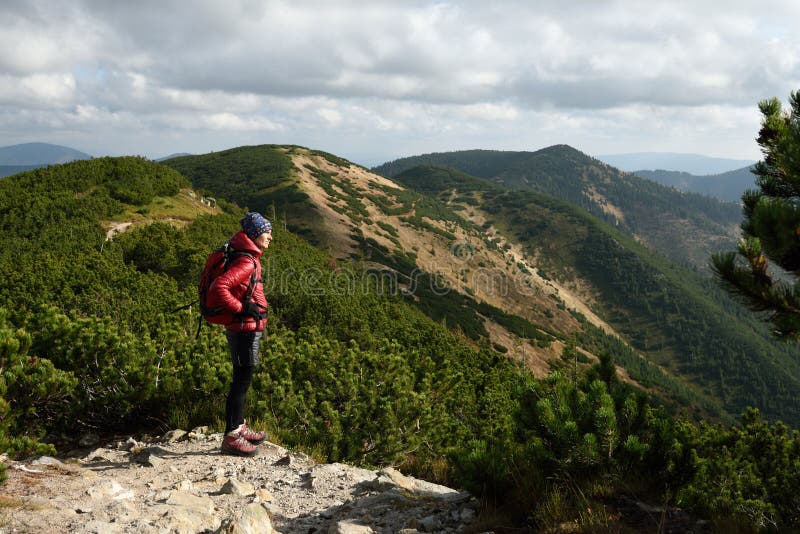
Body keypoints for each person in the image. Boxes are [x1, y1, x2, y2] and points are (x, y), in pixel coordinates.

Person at [207, 211, 272, 456]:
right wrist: (242, 307)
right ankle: (232, 436)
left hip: (243, 328)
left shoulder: (243, 255)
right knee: (241, 383)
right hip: (245, 329)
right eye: (267, 232)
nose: (270, 237)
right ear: (255, 234)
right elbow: (219, 287)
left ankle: (239, 426)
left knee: (241, 381)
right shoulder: (246, 261)